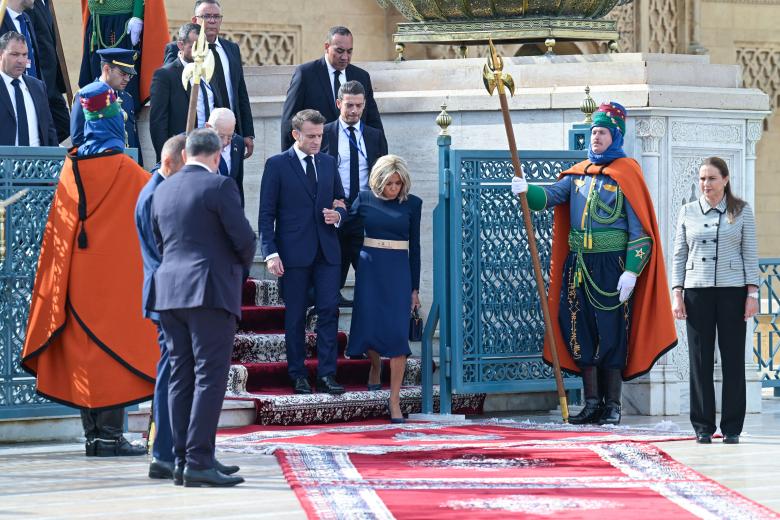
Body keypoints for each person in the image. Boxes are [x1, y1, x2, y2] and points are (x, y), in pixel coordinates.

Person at [511, 102, 677, 425]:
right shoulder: (577, 176)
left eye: (601, 132)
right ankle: (591, 403)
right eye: (593, 132)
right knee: (580, 329)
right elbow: (548, 197)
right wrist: (526, 190)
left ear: (615, 136)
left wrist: (631, 270)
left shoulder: (627, 174)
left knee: (611, 332)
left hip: (611, 267)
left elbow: (640, 231)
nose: (595, 138)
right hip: (579, 266)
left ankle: (612, 405)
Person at [21, 81, 158, 457]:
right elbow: (157, 208)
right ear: (116, 125)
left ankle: (94, 438)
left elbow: (60, 227)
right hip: (112, 283)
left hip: (75, 281)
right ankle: (111, 439)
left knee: (86, 358)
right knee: (112, 357)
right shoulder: (128, 170)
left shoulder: (70, 166)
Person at [151, 128, 255, 487]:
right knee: (210, 377)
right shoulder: (220, 186)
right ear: (216, 155)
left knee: (181, 376)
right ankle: (198, 460)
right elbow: (243, 238)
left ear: (185, 155)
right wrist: (237, 267)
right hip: (208, 290)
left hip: (168, 292)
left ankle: (185, 459)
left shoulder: (162, 188)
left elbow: (158, 239)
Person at [258, 109, 347, 395]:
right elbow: (266, 214)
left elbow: (341, 200)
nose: (316, 141)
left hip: (327, 251)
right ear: (295, 134)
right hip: (293, 253)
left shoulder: (329, 163)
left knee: (329, 313)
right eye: (311, 136)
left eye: (320, 136)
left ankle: (327, 374)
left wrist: (338, 215)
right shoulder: (276, 165)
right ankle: (297, 374)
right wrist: (270, 253)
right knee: (295, 316)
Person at [671, 157, 759, 445]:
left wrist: (752, 294)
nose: (705, 184)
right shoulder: (687, 211)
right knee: (700, 361)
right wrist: (677, 293)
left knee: (733, 360)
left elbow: (750, 254)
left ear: (725, 179)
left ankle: (732, 426)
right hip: (697, 292)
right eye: (701, 179)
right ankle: (703, 426)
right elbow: (679, 255)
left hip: (733, 293)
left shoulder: (741, 211)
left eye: (711, 178)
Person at [345, 155, 421, 423]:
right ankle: (375, 365)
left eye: (398, 183)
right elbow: (347, 230)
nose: (394, 188)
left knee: (398, 334)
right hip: (370, 269)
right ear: (379, 181)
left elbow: (415, 249)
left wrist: (414, 288)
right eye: (389, 183)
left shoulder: (413, 204)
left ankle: (394, 399)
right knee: (371, 325)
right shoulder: (364, 199)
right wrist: (360, 259)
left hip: (398, 271)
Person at [322, 80, 388, 306]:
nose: (354, 111)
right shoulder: (325, 133)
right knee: (333, 271)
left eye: (359, 106)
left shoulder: (374, 136)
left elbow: (384, 174)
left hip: (365, 211)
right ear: (339, 103)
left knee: (369, 272)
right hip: (335, 211)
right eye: (349, 105)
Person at [163, 0, 255, 158]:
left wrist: (247, 132)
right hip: (196, 136)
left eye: (216, 16)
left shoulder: (231, 49)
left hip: (230, 134)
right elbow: (171, 91)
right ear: (195, 20)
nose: (212, 21)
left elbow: (240, 92)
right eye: (206, 16)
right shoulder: (178, 49)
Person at [280, 26, 383, 151]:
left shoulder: (361, 77)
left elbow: (373, 121)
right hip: (318, 156)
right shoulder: (306, 74)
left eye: (349, 51)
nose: (345, 57)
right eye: (339, 51)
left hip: (354, 154)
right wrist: (289, 160)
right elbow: (290, 121)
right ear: (326, 47)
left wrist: (383, 160)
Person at [78, 0, 168, 110]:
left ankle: (125, 117)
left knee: (122, 73)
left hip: (122, 21)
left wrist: (137, 15)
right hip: (96, 22)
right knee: (96, 73)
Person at [150, 23, 220, 162]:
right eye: (194, 46)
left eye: (203, 46)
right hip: (182, 154)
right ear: (181, 45)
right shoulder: (165, 75)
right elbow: (158, 122)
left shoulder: (210, 70)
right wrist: (167, 158)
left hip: (211, 150)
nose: (201, 51)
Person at [71, 48, 141, 165]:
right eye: (123, 73)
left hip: (127, 166)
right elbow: (78, 140)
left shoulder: (127, 98)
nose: (127, 79)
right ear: (107, 69)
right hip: (99, 166)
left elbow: (133, 139)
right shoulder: (85, 95)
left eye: (129, 75)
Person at [0, 31, 57, 146]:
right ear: (1, 54)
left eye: (24, 54)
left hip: (37, 162)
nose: (21, 60)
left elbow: (49, 130)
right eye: (15, 54)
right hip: (5, 162)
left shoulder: (38, 86)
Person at [28, 0, 70, 142]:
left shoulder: (46, 2)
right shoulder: (29, 4)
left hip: (53, 82)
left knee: (65, 127)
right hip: (40, 79)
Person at [205, 107, 245, 206]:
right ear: (208, 127)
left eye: (230, 136)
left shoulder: (238, 143)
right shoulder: (192, 143)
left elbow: (237, 183)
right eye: (221, 136)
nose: (225, 142)